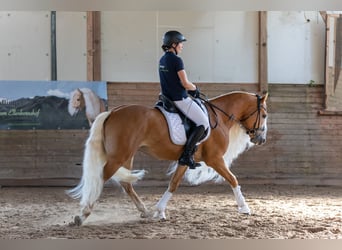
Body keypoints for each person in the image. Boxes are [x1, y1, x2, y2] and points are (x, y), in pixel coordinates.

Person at [158, 30, 209, 169]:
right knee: (203, 122)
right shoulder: (176, 60)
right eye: (180, 43)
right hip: (179, 99)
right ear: (174, 44)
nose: (182, 46)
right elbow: (185, 83)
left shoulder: (162, 59)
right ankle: (186, 155)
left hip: (166, 98)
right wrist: (195, 89)